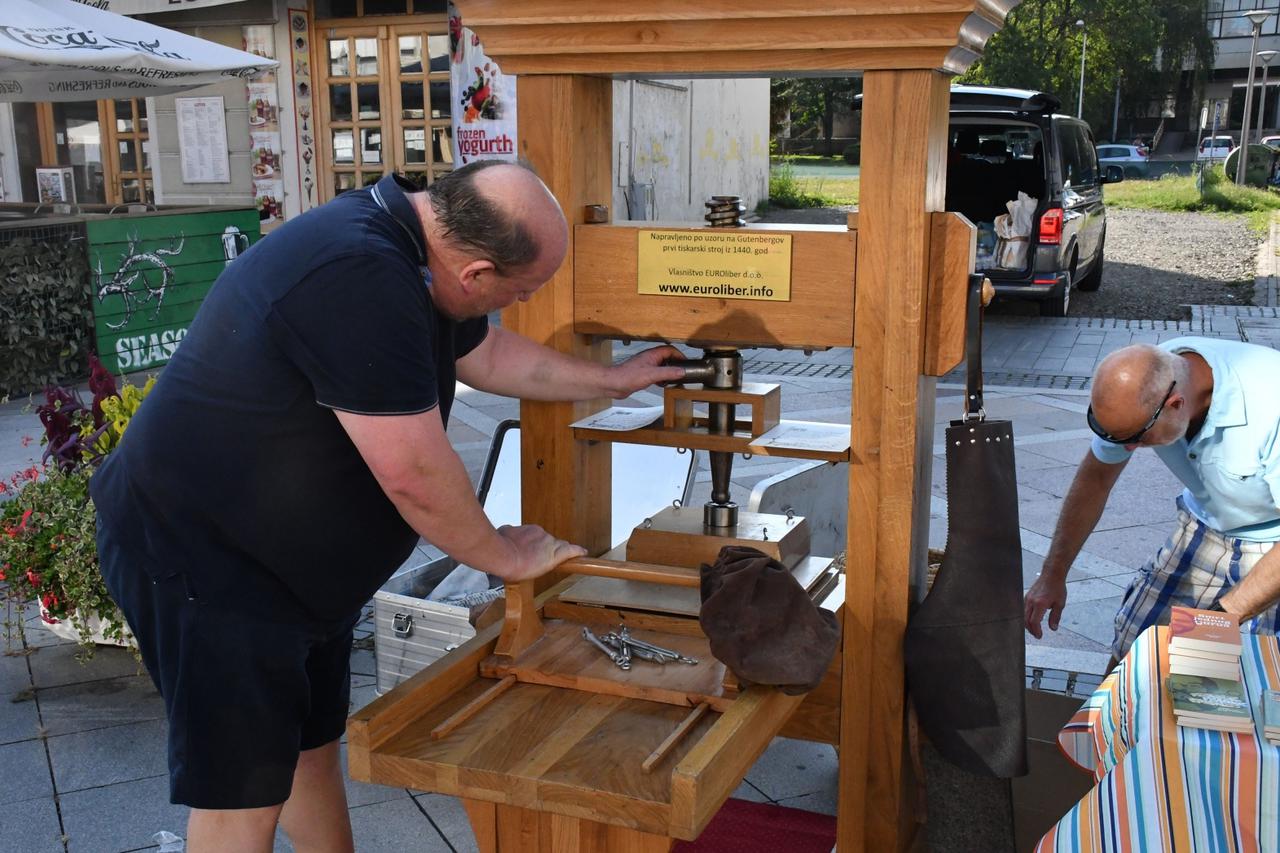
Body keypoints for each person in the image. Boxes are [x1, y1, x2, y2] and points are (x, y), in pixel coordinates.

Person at [89, 160, 685, 852]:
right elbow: (414, 474)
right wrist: (503, 554)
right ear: (476, 275)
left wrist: (611, 382)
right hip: (210, 567)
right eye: (520, 291)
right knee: (241, 794)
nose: (517, 305)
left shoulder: (417, 242)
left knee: (310, 746)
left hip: (294, 579)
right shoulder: (360, 275)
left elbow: (486, 353)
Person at [1024, 339, 1280, 665]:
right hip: (1206, 524)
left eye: (1137, 439)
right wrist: (1052, 573)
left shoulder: (1271, 403)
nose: (1128, 449)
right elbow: (1096, 479)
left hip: (1274, 542)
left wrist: (1220, 618)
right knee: (1137, 649)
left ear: (1175, 403)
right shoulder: (1144, 379)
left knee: (1261, 673)